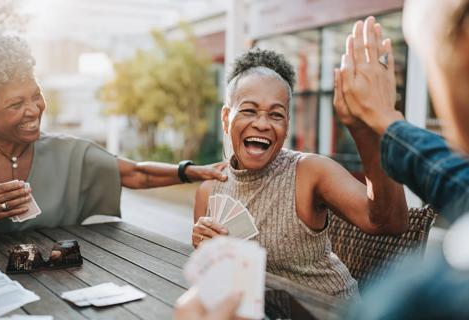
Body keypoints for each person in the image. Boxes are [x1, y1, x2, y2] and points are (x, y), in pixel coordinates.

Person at [0, 31, 227, 239]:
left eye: (36, 96)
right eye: (16, 104)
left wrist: (192, 172)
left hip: (52, 286)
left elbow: (137, 174)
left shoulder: (69, 152)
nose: (34, 110)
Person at [191, 48, 408, 299]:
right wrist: (204, 253)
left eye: (276, 114)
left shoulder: (309, 172)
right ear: (226, 118)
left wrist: (372, 128)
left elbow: (391, 222)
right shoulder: (209, 191)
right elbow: (213, 283)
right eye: (249, 110)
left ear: (287, 124)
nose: (262, 124)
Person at [331, 0, 469, 317]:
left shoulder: (424, 297)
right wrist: (382, 122)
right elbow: (460, 179)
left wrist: (383, 119)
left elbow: (388, 220)